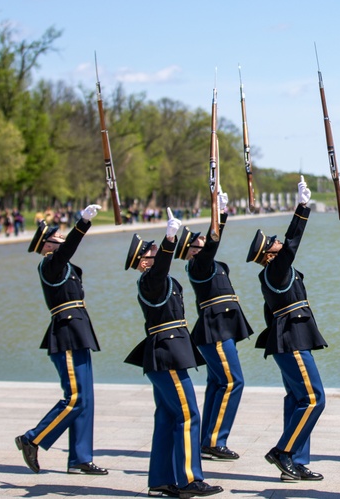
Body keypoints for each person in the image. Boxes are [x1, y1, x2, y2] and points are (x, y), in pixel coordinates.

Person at [125, 210, 223, 499]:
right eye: (152, 252)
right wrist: (170, 239)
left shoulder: (158, 281)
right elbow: (161, 266)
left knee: (168, 417)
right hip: (166, 354)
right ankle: (189, 480)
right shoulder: (150, 281)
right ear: (143, 262)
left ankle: (160, 480)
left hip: (168, 352)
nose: (157, 252)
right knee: (189, 415)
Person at [15, 205, 107, 476]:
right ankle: (32, 438)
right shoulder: (50, 264)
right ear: (47, 246)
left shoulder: (62, 265)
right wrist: (83, 223)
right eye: (58, 239)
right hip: (66, 333)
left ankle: (80, 458)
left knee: (86, 399)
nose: (63, 241)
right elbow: (68, 249)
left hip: (78, 332)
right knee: (76, 397)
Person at [249, 178, 327, 482]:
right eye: (275, 243)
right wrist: (302, 209)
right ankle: (283, 452)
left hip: (289, 338)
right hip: (291, 340)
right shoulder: (275, 270)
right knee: (313, 398)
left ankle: (295, 462)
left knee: (297, 400)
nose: (280, 242)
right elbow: (292, 242)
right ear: (270, 254)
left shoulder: (273, 274)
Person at [176, 191, 254, 462]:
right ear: (191, 250)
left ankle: (207, 439)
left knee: (218, 383)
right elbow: (212, 245)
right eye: (198, 242)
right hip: (215, 328)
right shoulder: (197, 266)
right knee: (233, 382)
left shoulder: (207, 264)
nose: (203, 242)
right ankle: (214, 441)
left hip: (223, 326)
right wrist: (220, 215)